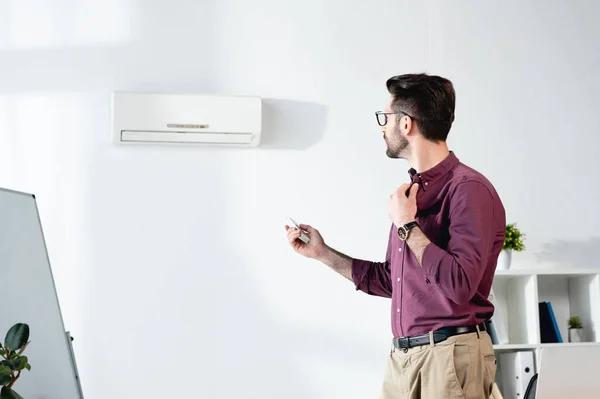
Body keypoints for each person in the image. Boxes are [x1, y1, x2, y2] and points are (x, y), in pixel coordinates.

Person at [285, 73, 506, 399]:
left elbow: (460, 284)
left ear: (406, 124)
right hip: (405, 359)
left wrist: (407, 226)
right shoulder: (412, 194)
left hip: (448, 356)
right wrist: (323, 253)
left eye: (384, 118)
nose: (381, 127)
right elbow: (393, 281)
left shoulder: (468, 190)